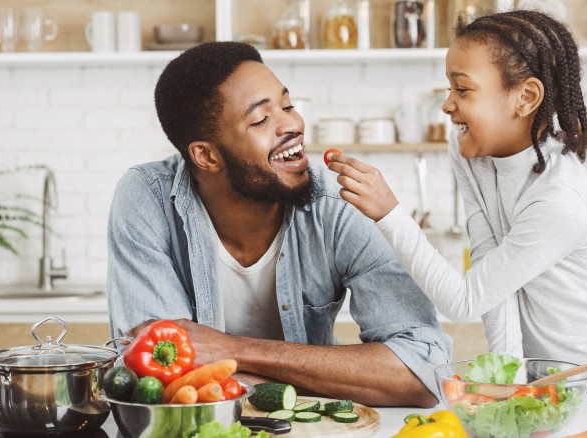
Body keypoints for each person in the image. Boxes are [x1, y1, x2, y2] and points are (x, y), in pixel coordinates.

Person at [326, 10, 587, 400]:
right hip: (553, 381)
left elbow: (464, 300)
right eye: (449, 88)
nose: (448, 105)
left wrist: (389, 214)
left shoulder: (560, 198)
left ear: (524, 97)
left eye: (463, 89)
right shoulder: (470, 151)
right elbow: (492, 276)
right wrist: (510, 381)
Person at [106, 41, 451, 407]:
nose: (293, 125)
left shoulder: (340, 205)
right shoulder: (147, 197)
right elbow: (158, 378)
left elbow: (424, 374)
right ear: (206, 155)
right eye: (260, 120)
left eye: (287, 105)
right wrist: (336, 378)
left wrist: (232, 350)